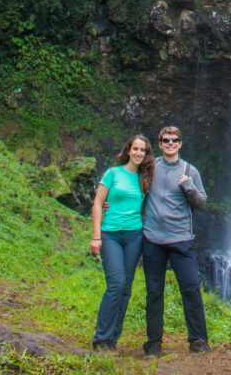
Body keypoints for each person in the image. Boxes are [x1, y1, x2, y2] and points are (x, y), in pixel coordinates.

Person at [142, 125, 209, 357]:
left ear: (180, 144)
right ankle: (153, 343)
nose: (170, 143)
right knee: (154, 291)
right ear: (159, 144)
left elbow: (201, 202)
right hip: (152, 239)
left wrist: (188, 187)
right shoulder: (150, 168)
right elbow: (133, 191)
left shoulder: (191, 171)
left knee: (191, 288)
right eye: (166, 140)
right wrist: (108, 203)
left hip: (181, 240)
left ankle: (198, 340)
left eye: (175, 140)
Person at [90, 134, 154, 351]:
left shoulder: (146, 178)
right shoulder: (113, 173)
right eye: (135, 148)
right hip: (111, 235)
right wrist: (96, 237)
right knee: (116, 283)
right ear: (128, 150)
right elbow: (98, 204)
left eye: (142, 150)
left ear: (146, 154)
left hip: (135, 236)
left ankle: (112, 340)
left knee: (126, 288)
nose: (138, 153)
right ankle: (101, 338)